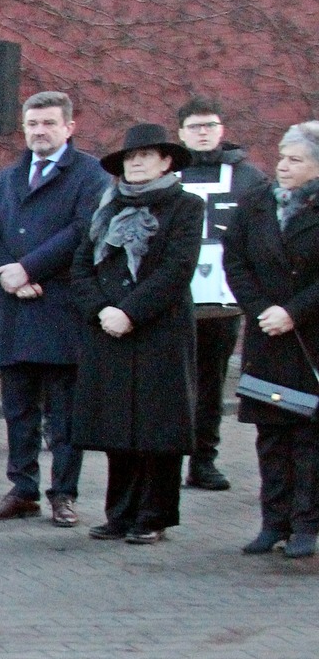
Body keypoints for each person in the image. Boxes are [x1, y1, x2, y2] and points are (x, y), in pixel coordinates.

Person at [0, 91, 108, 528]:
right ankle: (22, 488)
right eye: (32, 124)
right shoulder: (11, 177)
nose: (39, 132)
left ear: (69, 127)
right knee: (18, 409)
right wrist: (6, 271)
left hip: (62, 307)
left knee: (64, 414)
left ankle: (63, 493)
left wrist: (28, 270)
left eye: (48, 123)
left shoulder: (91, 174)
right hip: (15, 309)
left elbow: (83, 232)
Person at [70, 124, 206, 544]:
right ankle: (120, 513)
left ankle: (154, 515)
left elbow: (176, 270)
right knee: (118, 427)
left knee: (157, 428)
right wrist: (102, 310)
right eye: (131, 157)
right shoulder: (105, 206)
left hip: (158, 331)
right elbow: (81, 266)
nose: (137, 162)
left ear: (166, 160)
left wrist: (130, 312)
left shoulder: (186, 207)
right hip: (108, 330)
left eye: (146, 155)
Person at [223, 121, 319, 558]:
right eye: (282, 156)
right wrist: (261, 309)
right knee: (271, 433)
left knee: (307, 437)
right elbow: (236, 261)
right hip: (266, 334)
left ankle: (305, 525)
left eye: (295, 159)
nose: (283, 166)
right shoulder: (255, 203)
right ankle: (271, 522)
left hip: (309, 337)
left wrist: (293, 312)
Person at [176, 97, 271, 491]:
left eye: (210, 125)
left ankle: (203, 460)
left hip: (223, 301)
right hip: (170, 299)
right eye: (195, 126)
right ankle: (163, 462)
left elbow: (263, 233)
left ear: (221, 129)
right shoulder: (168, 171)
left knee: (211, 383)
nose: (203, 132)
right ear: (181, 132)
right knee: (170, 382)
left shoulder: (249, 179)